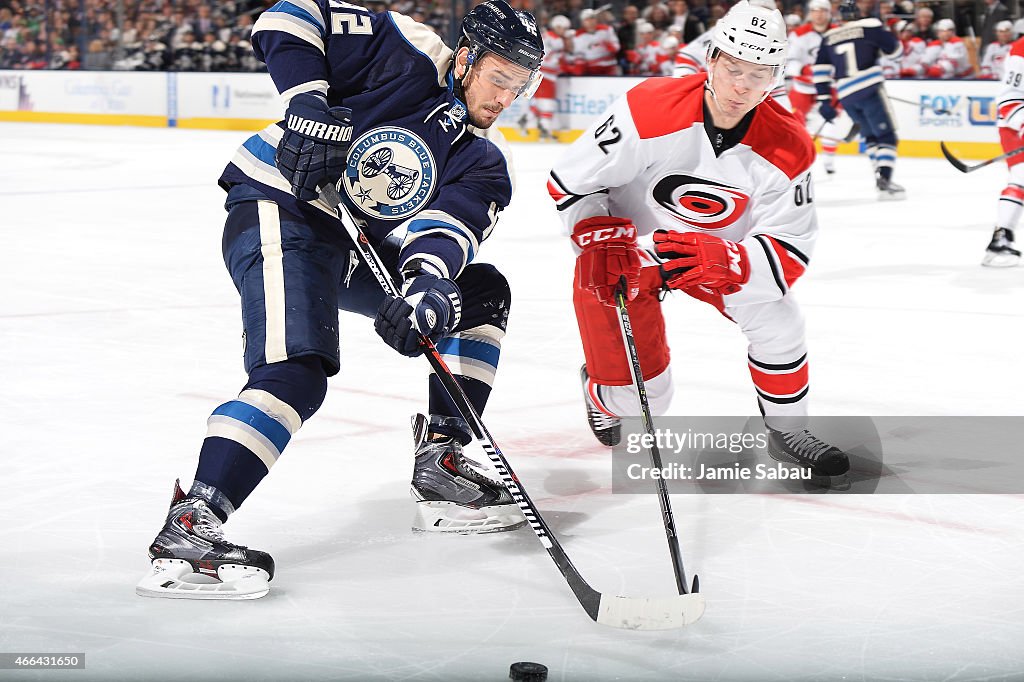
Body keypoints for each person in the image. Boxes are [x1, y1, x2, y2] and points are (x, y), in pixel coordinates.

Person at [137, 0, 545, 600]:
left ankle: (442, 460)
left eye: (522, 84)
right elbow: (287, 16)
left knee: (480, 295)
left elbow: (444, 235)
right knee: (297, 373)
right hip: (282, 207)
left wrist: (427, 293)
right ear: (466, 59)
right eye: (500, 78)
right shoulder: (403, 47)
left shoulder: (483, 161)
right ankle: (193, 523)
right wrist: (306, 102)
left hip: (356, 248)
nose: (508, 96)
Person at [548, 1, 850, 481]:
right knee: (644, 403)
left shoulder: (790, 145)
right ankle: (601, 391)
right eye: (732, 68)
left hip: (715, 257)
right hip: (630, 252)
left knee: (780, 319)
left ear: (776, 76)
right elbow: (572, 183)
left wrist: (732, 260)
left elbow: (790, 246)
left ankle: (787, 431)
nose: (740, 86)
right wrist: (599, 235)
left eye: (758, 73)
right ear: (711, 58)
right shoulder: (646, 108)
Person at [813, 2, 904, 199]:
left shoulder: (829, 37)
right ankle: (885, 179)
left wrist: (824, 100)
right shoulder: (870, 27)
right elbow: (896, 52)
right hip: (870, 89)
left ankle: (879, 176)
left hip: (846, 96)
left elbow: (820, 71)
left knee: (870, 136)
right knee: (886, 136)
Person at [786, 0, 841, 173]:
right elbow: (787, 60)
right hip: (803, 86)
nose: (819, 14)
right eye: (815, 11)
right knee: (794, 123)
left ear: (828, 12)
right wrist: (803, 69)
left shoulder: (838, 33)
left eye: (823, 11)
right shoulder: (799, 34)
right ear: (810, 13)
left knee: (831, 121)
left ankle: (829, 163)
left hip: (829, 86)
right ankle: (795, 159)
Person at [986, 29, 1024, 266]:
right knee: (1022, 177)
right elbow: (1009, 98)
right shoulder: (1021, 49)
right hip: (1015, 124)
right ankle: (1000, 240)